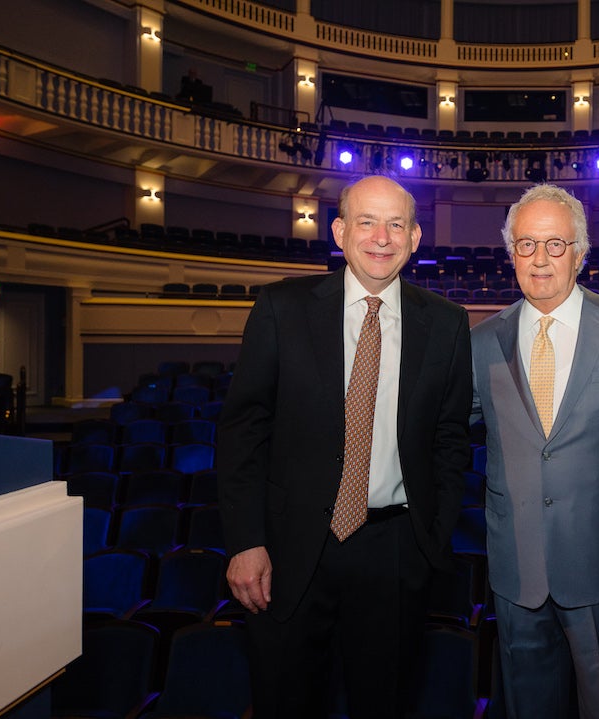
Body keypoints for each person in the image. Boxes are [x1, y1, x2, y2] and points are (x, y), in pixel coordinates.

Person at [218, 175, 472, 719]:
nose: (382, 237)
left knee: (385, 703)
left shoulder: (447, 324)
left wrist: (432, 533)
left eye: (396, 224)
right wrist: (246, 541)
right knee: (285, 702)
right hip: (288, 553)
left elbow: (451, 438)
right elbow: (244, 432)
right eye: (366, 221)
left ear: (416, 237)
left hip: (397, 552)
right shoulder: (281, 307)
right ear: (338, 231)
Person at [471, 183, 599, 719]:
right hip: (514, 569)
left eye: (556, 244)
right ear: (511, 255)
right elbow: (443, 433)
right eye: (526, 245)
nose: (541, 259)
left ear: (580, 252)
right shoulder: (482, 341)